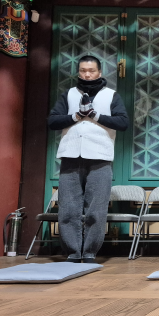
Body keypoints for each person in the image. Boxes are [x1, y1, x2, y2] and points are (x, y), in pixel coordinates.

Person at [47, 55, 129, 263]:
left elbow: (123, 122)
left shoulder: (111, 95)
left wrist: (95, 115)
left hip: (100, 156)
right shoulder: (69, 95)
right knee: (68, 207)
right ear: (78, 72)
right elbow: (52, 121)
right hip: (70, 156)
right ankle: (73, 252)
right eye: (83, 70)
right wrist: (75, 116)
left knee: (96, 208)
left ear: (99, 72)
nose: (87, 74)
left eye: (91, 71)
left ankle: (90, 251)